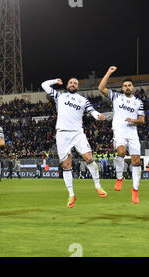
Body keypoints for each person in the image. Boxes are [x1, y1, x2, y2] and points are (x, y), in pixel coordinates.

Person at [42, 77, 108, 208]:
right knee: (66, 165)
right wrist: (55, 81)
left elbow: (92, 111)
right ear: (67, 85)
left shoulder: (82, 100)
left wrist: (98, 116)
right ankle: (71, 194)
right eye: (71, 82)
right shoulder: (59, 96)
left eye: (75, 83)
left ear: (78, 87)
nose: (73, 84)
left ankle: (98, 186)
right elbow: (44, 84)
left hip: (77, 133)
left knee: (89, 157)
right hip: (62, 133)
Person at [98, 66, 145, 204]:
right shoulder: (117, 97)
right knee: (121, 151)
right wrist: (109, 72)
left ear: (133, 87)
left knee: (136, 161)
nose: (127, 87)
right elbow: (101, 88)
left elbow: (142, 120)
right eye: (125, 86)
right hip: (119, 131)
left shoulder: (138, 102)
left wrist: (133, 120)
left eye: (129, 85)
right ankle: (119, 178)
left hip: (132, 133)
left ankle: (135, 190)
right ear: (122, 88)